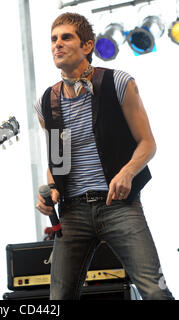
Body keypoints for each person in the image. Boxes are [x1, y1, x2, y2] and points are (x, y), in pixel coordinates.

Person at [35, 12, 174, 300]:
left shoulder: (119, 82)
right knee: (58, 299)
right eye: (53, 39)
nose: (57, 44)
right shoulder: (45, 102)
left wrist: (127, 172)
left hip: (119, 207)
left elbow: (147, 143)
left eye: (66, 37)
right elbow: (56, 163)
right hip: (72, 213)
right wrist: (51, 190)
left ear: (87, 45)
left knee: (155, 292)